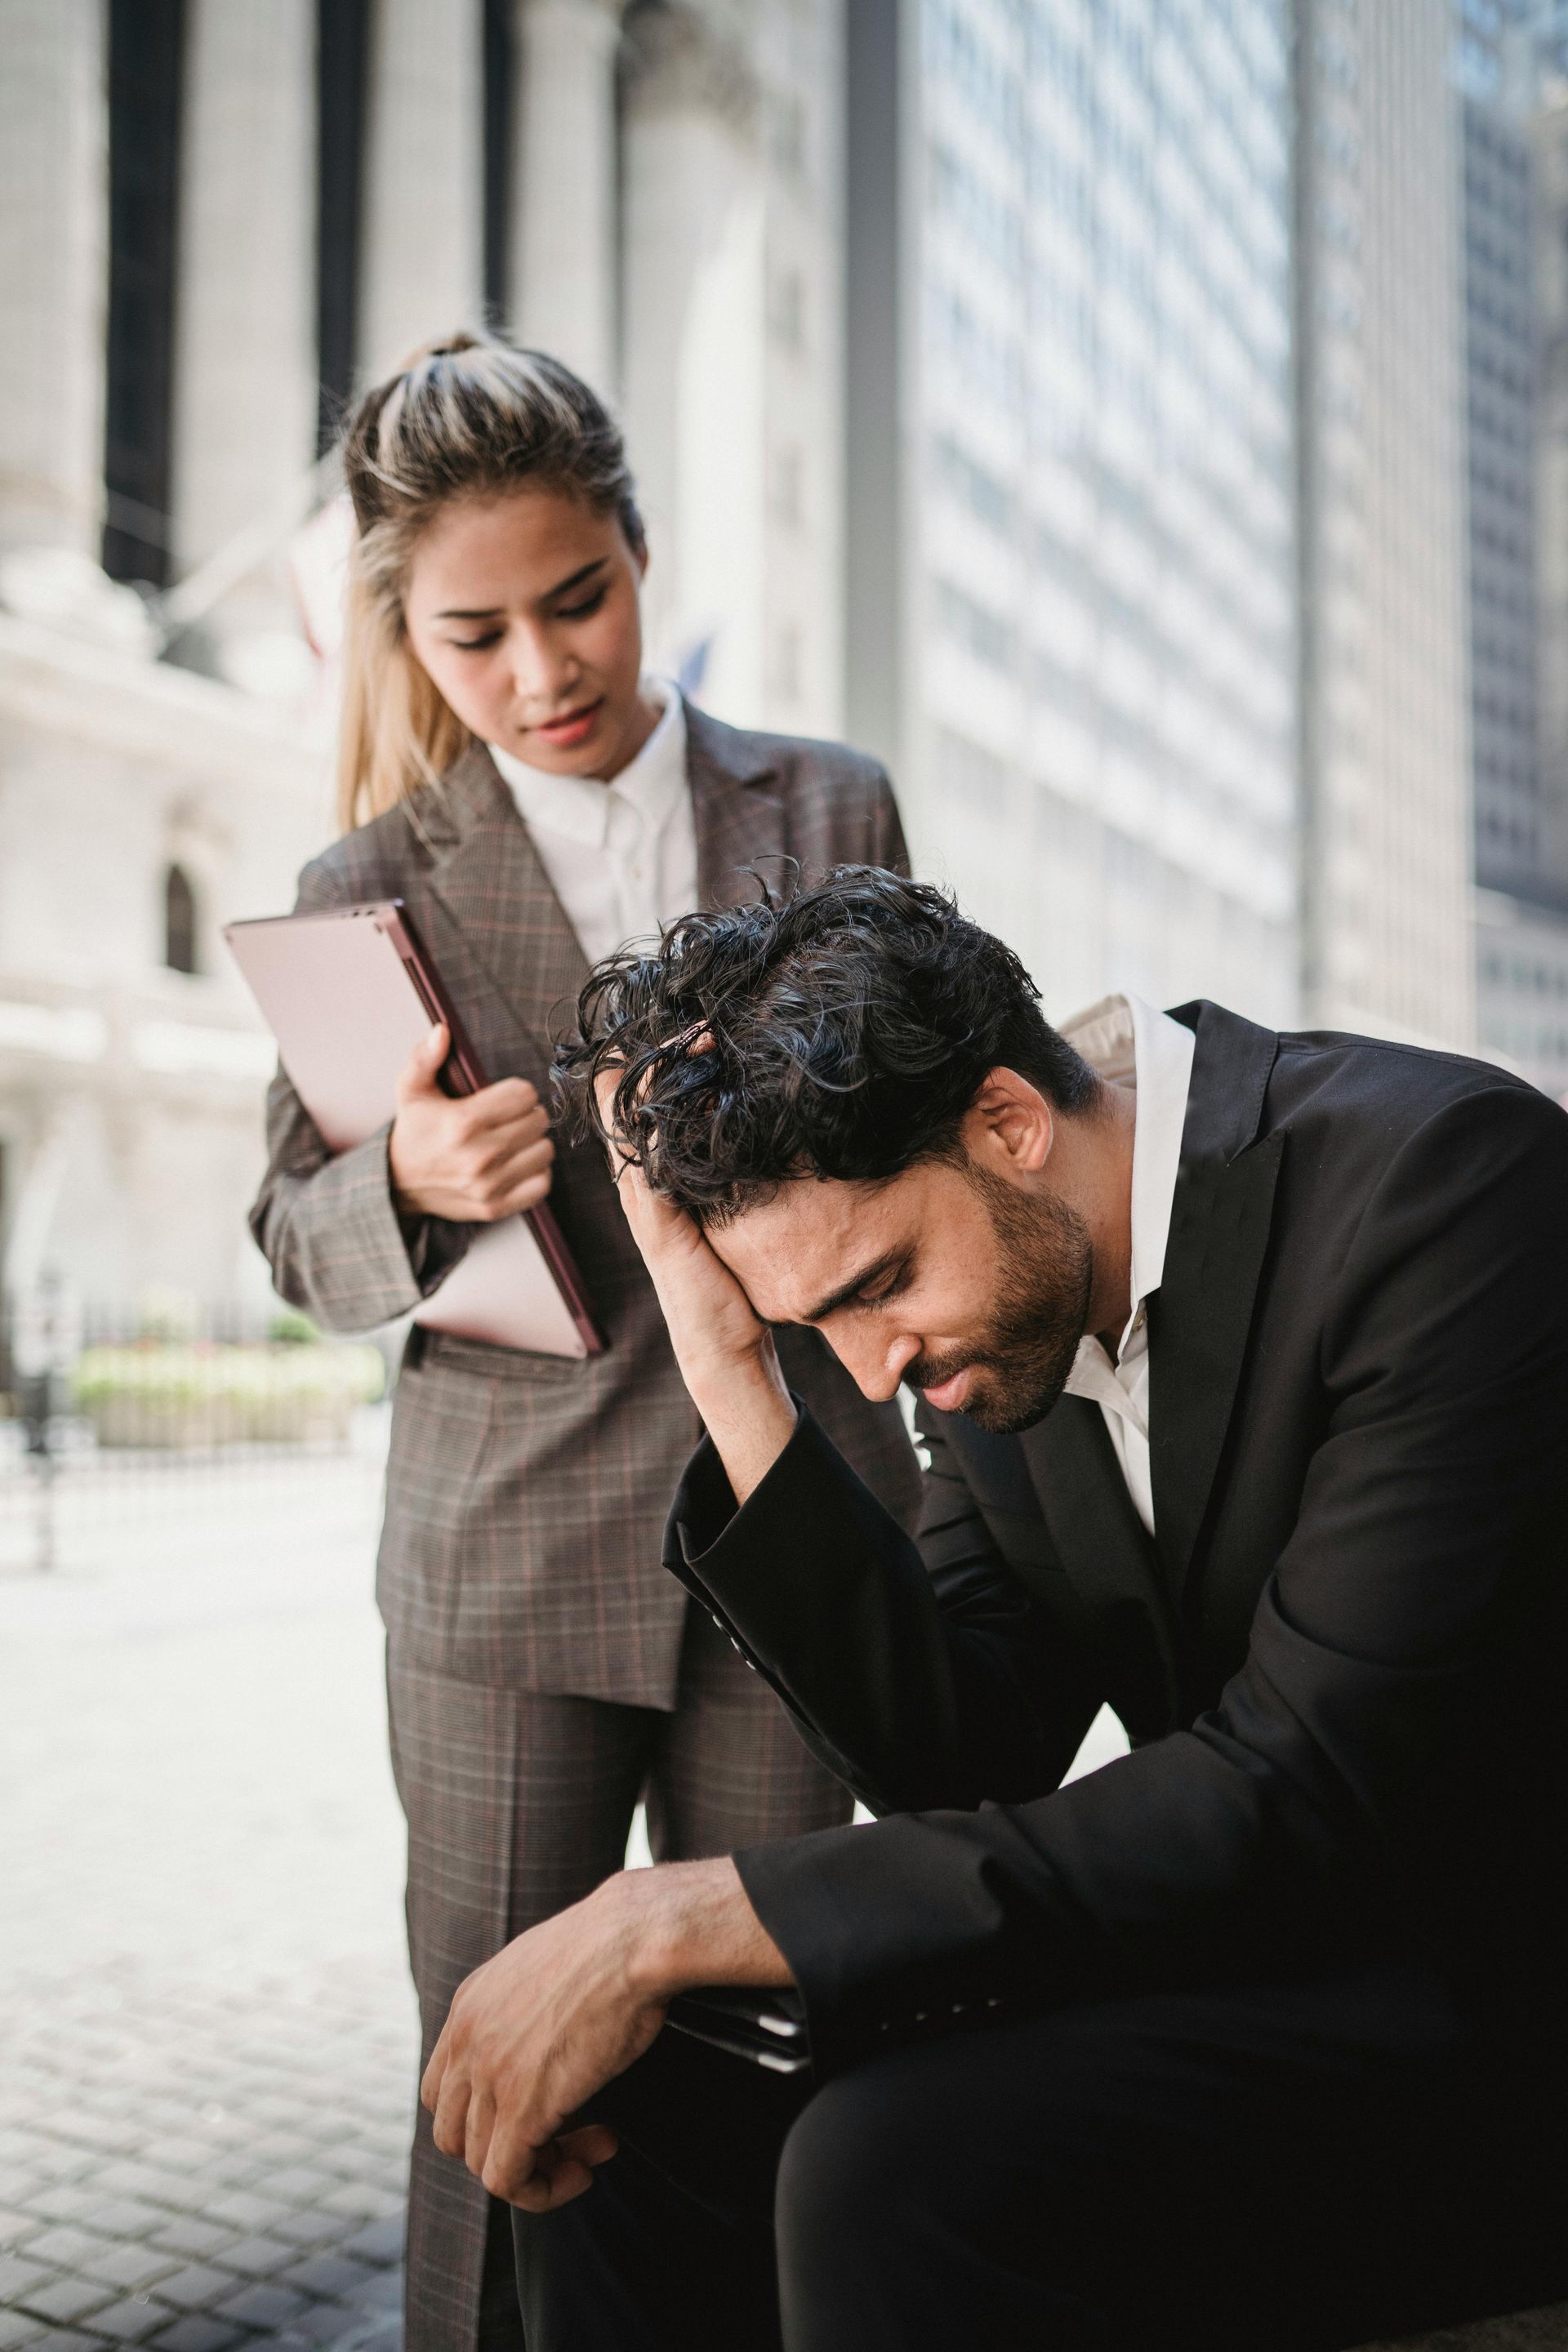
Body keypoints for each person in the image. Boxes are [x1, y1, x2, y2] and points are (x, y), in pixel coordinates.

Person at [420, 868, 1568, 2352]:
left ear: (1010, 1123)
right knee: (634, 2102)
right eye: (811, 1325)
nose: (875, 1373)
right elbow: (962, 1758)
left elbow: (1305, 1793)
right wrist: (731, 1374)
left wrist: (687, 1911)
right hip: (1236, 1947)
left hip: (1488, 2004)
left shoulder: (1447, 1188)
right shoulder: (990, 1310)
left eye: (875, 1288)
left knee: (885, 2165)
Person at [248, 344, 918, 2352]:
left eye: (579, 599)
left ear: (640, 552)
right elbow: (293, 1238)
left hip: (789, 1538)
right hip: (505, 1563)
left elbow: (926, 1090)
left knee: (771, 2075)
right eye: (475, 633)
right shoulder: (363, 889)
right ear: (405, 635)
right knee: (500, 2096)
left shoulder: (827, 796)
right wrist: (415, 1180)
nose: (542, 666)